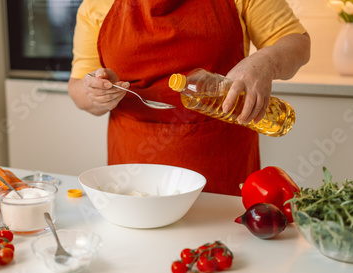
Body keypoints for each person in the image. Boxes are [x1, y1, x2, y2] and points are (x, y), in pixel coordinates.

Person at [68, 0, 310, 196]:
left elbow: (298, 43)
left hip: (222, 167)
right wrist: (94, 92)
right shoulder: (95, 6)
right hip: (133, 173)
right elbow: (77, 86)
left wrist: (265, 61)